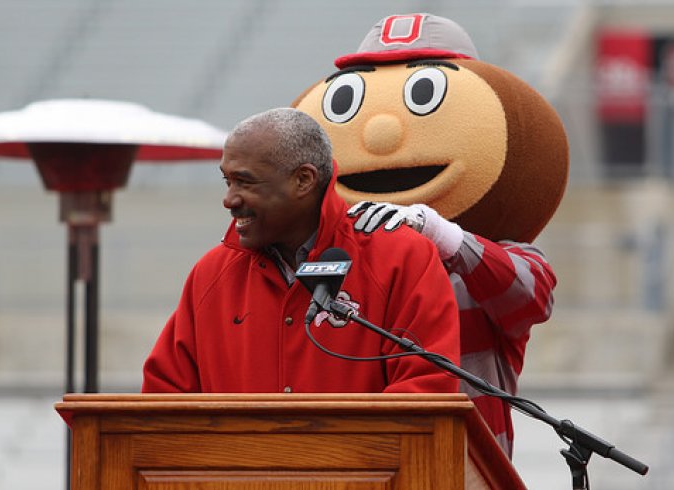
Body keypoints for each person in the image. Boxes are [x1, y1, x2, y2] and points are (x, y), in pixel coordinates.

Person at [291, 13, 566, 454]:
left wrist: (442, 234)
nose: (382, 132)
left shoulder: (495, 255)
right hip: (358, 462)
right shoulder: (333, 256)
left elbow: (532, 295)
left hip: (465, 465)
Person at [142, 108, 460, 395]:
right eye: (228, 181)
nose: (229, 199)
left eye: (245, 182)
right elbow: (162, 403)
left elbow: (426, 392)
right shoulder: (210, 275)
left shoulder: (402, 258)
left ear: (303, 180)